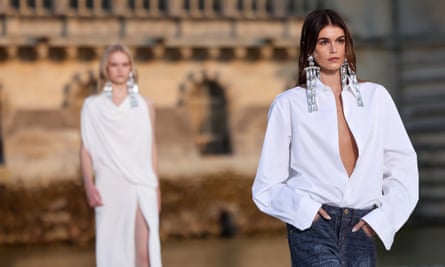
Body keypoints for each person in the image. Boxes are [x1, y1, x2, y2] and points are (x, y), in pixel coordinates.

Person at [252, 9, 418, 267]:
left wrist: (383, 220)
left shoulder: (377, 97)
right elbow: (266, 186)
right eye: (324, 42)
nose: (334, 49)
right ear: (310, 49)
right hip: (313, 228)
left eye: (340, 40)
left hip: (362, 228)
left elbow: (403, 168)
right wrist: (305, 211)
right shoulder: (289, 104)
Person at [80, 43, 162, 267]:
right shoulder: (92, 106)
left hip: (142, 184)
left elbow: (151, 146)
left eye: (125, 64)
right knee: (114, 254)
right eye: (114, 65)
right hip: (109, 186)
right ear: (105, 68)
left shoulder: (146, 105)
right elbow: (86, 149)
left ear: (131, 69)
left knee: (144, 255)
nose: (120, 70)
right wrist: (88, 185)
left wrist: (157, 189)